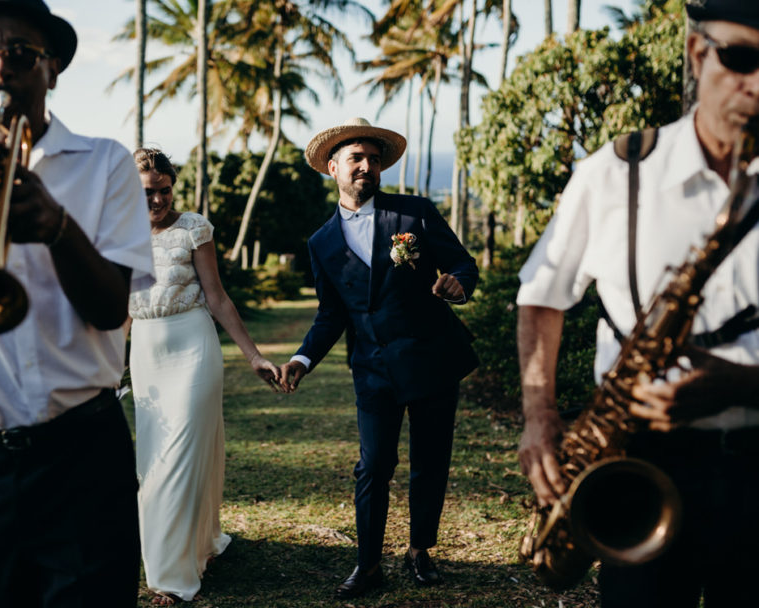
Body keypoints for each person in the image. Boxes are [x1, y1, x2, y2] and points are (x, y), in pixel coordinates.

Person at [516, 1, 759, 606]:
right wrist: (540, 417)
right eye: (742, 58)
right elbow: (542, 296)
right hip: (636, 464)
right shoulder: (616, 172)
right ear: (697, 53)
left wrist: (739, 384)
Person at [0, 0, 155, 606]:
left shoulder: (105, 163)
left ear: (52, 69)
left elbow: (111, 308)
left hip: (81, 457)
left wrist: (58, 227)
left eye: (21, 51)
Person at [279, 117, 479, 599]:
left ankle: (420, 550)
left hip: (431, 358)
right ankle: (368, 564)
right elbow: (331, 315)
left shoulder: (414, 214)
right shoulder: (320, 242)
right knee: (373, 466)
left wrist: (457, 283)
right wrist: (302, 360)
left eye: (374, 158)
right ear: (333, 168)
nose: (367, 166)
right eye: (356, 158)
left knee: (430, 461)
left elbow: (462, 263)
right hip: (372, 368)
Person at [129, 147, 282, 606]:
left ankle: (173, 580)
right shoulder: (118, 234)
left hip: (193, 347)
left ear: (173, 187)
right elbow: (119, 311)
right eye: (146, 193)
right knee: (152, 463)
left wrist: (253, 355)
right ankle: (197, 542)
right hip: (146, 357)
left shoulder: (193, 228)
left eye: (163, 191)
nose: (156, 201)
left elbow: (217, 298)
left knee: (181, 455)